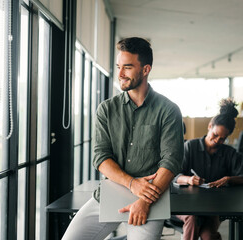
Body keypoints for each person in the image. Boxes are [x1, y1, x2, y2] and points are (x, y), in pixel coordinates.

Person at [62, 37, 184, 240]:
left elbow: (171, 162)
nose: (119, 74)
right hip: (111, 192)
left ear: (145, 70)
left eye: (127, 67)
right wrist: (132, 184)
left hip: (151, 198)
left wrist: (144, 201)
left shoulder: (169, 110)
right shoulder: (106, 109)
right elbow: (100, 157)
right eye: (118, 67)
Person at [174, 98, 243, 240]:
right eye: (215, 135)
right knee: (192, 218)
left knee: (208, 236)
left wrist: (229, 179)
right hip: (187, 204)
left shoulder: (230, 153)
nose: (217, 141)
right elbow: (174, 175)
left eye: (222, 139)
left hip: (214, 206)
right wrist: (189, 179)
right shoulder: (190, 147)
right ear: (210, 126)